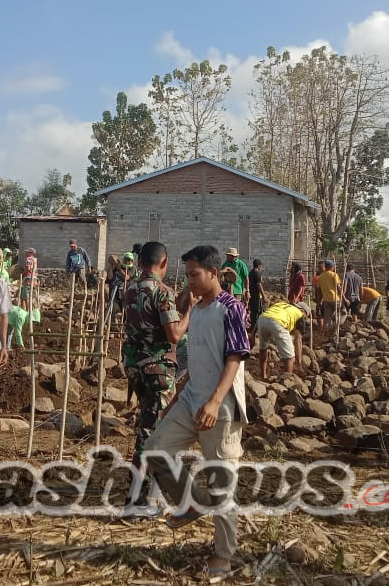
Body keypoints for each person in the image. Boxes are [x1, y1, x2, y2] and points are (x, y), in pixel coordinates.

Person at [143, 245, 249, 581]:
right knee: (155, 450)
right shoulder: (197, 309)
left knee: (222, 483)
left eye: (194, 274)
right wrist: (177, 395)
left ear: (213, 273)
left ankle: (223, 555)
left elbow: (234, 357)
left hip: (221, 405)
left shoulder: (230, 308)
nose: (189, 280)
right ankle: (190, 502)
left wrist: (215, 401)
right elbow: (199, 358)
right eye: (187, 274)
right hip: (190, 398)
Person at [121, 241, 188, 507]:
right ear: (164, 262)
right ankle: (140, 495)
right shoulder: (162, 292)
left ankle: (144, 489)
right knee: (154, 431)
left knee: (147, 423)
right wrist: (188, 313)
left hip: (134, 364)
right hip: (157, 367)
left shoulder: (129, 289)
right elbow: (174, 334)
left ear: (139, 262)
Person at [257, 300, 308, 379]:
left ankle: (263, 376)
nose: (305, 319)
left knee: (263, 348)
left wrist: (253, 334)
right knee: (290, 357)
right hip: (278, 322)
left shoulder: (281, 304)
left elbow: (266, 315)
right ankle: (287, 382)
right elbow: (298, 341)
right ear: (303, 310)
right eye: (306, 316)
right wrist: (299, 363)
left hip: (262, 320)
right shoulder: (299, 314)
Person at [317, 260, 342, 337]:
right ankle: (336, 327)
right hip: (335, 299)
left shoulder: (321, 276)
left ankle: (326, 335)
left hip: (326, 301)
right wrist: (344, 298)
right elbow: (338, 287)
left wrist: (319, 300)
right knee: (343, 313)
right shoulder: (334, 275)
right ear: (332, 267)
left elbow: (319, 290)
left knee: (327, 319)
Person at [247, 259, 265, 330]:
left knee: (253, 311)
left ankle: (253, 327)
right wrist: (264, 296)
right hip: (256, 295)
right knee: (258, 311)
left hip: (252, 294)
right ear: (259, 265)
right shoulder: (257, 272)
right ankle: (256, 328)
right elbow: (259, 285)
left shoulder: (251, 272)